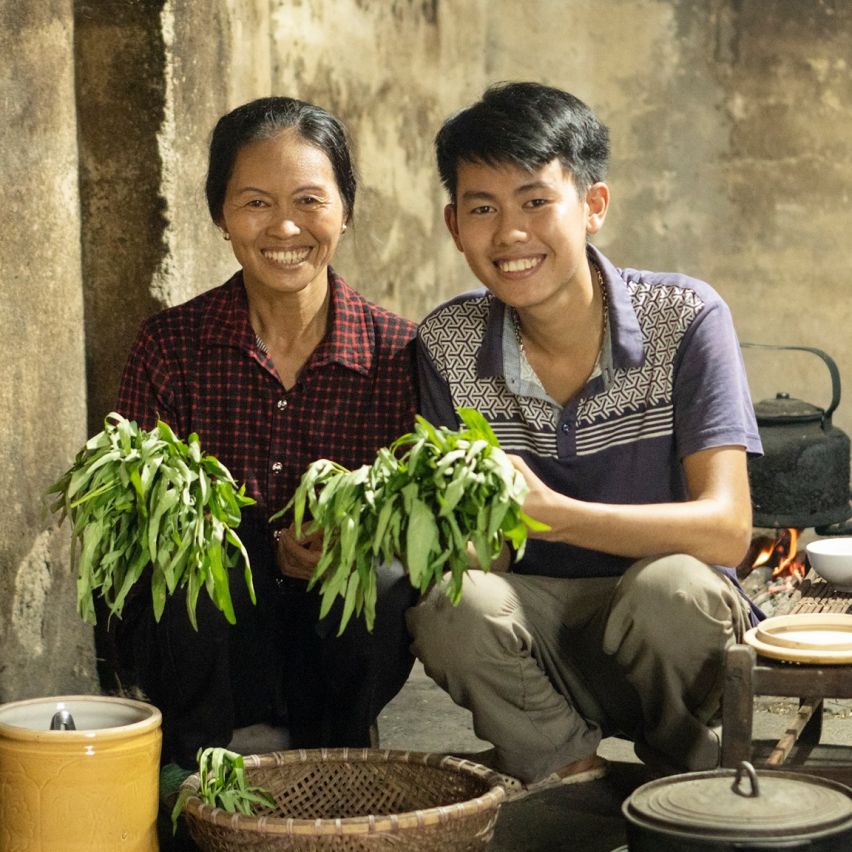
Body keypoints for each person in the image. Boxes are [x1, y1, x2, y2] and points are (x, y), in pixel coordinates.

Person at [406, 81, 763, 798]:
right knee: (449, 599)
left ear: (594, 206)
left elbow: (727, 532)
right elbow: (481, 554)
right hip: (536, 637)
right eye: (483, 208)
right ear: (454, 225)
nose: (509, 233)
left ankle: (683, 762)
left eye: (536, 202)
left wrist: (556, 513)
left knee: (673, 589)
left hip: (669, 636)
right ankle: (568, 769)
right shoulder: (446, 341)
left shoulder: (685, 316)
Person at [114, 96, 419, 776]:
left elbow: (419, 517)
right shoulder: (171, 347)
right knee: (195, 550)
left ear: (345, 208)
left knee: (384, 575)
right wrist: (250, 542)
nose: (284, 226)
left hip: (333, 647)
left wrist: (355, 539)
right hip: (207, 649)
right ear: (221, 216)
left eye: (310, 200)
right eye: (255, 202)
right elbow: (131, 521)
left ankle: (338, 761)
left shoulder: (397, 353)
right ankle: (198, 768)